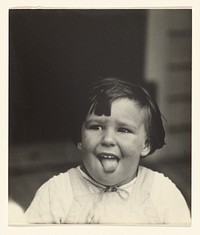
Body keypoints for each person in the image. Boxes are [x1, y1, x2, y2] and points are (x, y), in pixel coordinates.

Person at [25, 77, 190, 224]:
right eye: (96, 127)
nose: (108, 139)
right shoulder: (56, 194)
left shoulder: (161, 194)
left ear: (145, 144)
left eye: (123, 130)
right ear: (80, 138)